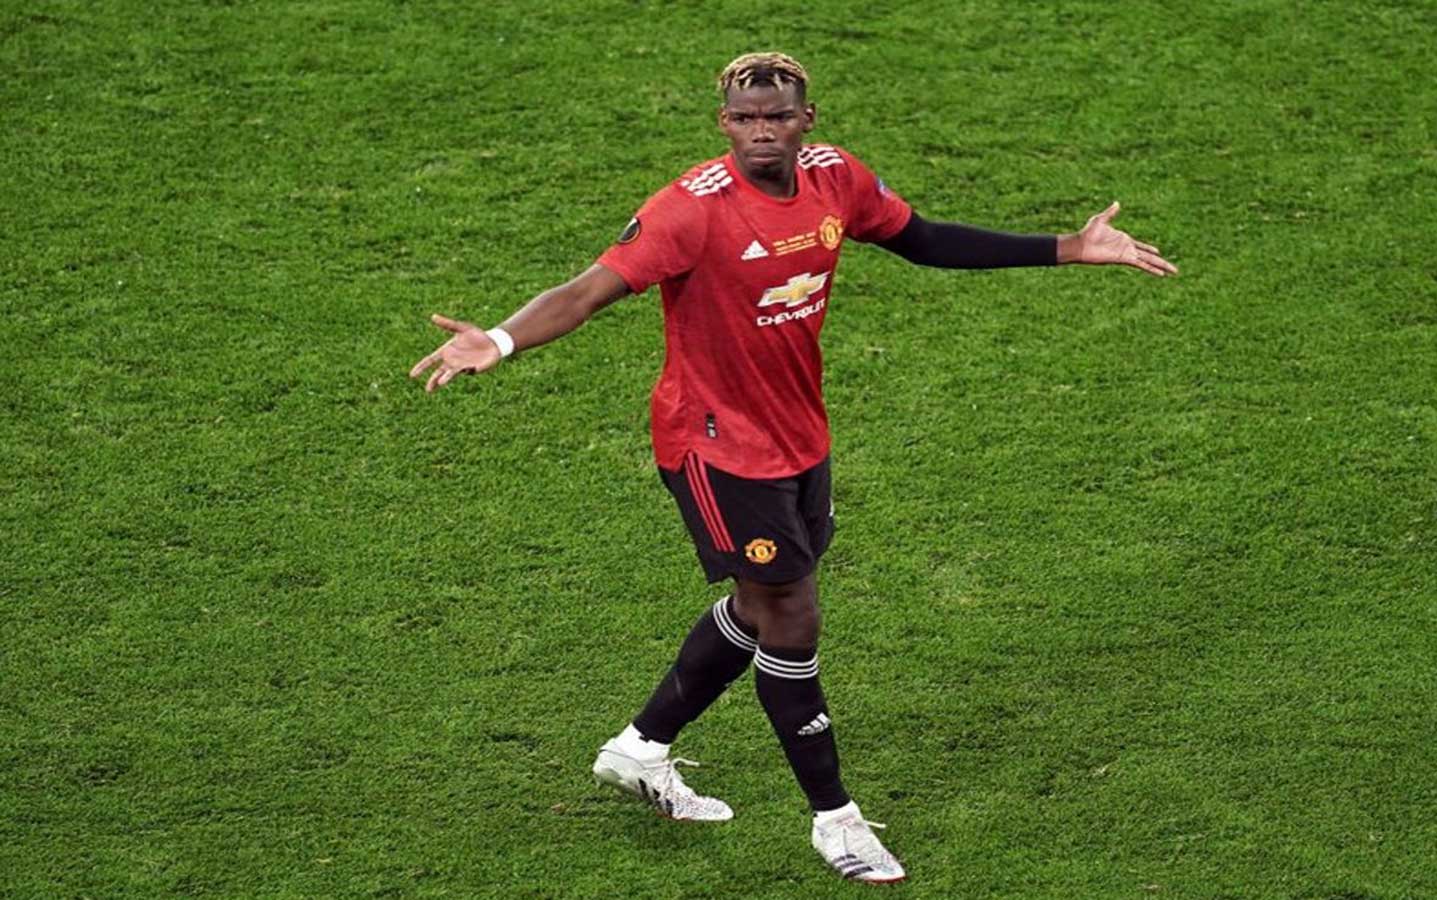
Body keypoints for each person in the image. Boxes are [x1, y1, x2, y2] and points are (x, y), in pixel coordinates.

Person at [409, 51, 1176, 884]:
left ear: (807, 119)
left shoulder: (836, 179)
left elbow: (923, 240)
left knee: (761, 602)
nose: (761, 132)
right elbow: (589, 289)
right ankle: (833, 820)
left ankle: (641, 747)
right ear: (724, 124)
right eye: (745, 118)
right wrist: (501, 339)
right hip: (714, 447)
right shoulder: (690, 210)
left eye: (777, 116)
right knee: (792, 613)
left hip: (798, 435)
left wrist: (1069, 247)